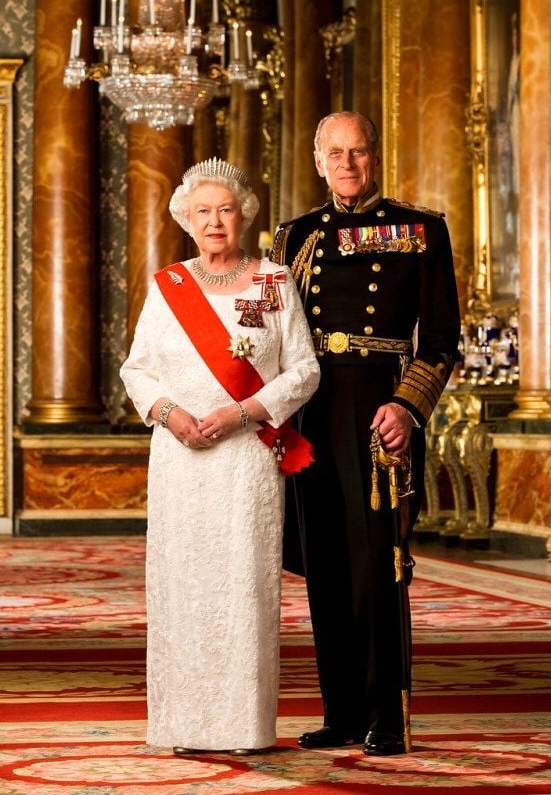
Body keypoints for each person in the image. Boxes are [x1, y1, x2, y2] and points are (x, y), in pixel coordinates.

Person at [271, 111, 460, 756]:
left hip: (379, 413)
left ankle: (388, 715)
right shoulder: (294, 236)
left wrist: (407, 408)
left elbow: (439, 343)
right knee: (324, 566)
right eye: (335, 153)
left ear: (373, 156)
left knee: (378, 568)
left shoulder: (419, 230)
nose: (347, 164)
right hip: (311, 410)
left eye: (358, 151)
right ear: (318, 160)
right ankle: (343, 711)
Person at [120, 158, 320, 755]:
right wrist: (168, 413)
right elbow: (136, 370)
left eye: (225, 210)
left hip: (245, 460)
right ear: (186, 219)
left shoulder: (272, 282)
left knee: (243, 586)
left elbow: (305, 370)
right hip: (180, 461)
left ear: (244, 216)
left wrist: (245, 412)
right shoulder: (167, 287)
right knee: (183, 584)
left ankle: (243, 726)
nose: (215, 221)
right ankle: (183, 724)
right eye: (203, 211)